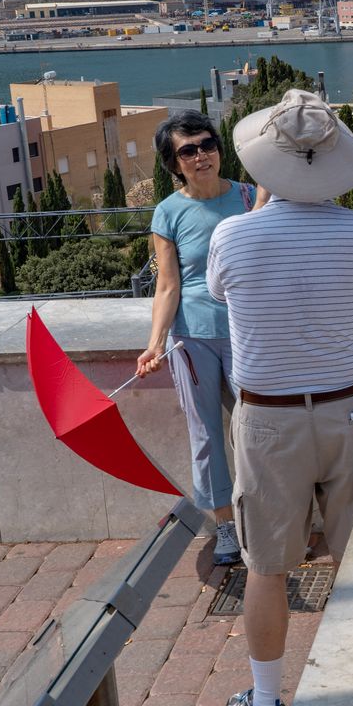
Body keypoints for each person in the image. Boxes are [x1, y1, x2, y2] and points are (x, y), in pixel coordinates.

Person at [210, 89, 353, 706]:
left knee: (266, 567)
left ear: (264, 165)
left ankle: (263, 703)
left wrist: (263, 203)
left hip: (270, 421)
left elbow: (222, 293)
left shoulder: (232, 236)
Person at [136, 109, 268, 568]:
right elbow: (168, 285)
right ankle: (226, 527)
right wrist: (154, 343)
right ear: (174, 164)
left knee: (260, 429)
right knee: (207, 435)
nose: (201, 155)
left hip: (248, 333)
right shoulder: (167, 213)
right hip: (191, 339)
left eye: (207, 144)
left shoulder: (251, 195)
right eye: (187, 150)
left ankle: (267, 516)